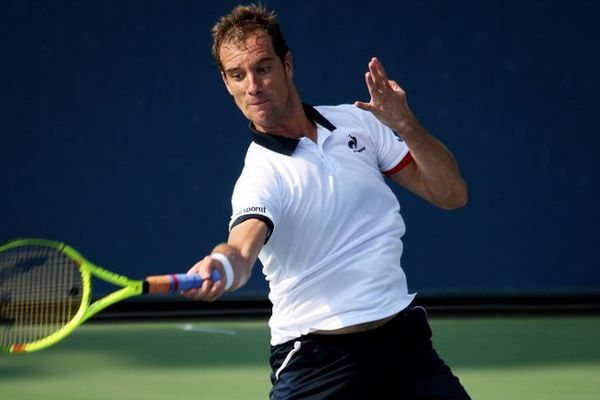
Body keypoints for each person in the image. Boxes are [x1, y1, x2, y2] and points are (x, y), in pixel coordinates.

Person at [183, 4, 471, 399]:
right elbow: (241, 248)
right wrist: (221, 263)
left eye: (263, 68)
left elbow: (452, 194)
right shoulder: (260, 175)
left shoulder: (360, 123)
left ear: (287, 65)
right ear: (226, 82)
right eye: (238, 75)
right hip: (320, 361)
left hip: (404, 346)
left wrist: (406, 125)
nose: (253, 86)